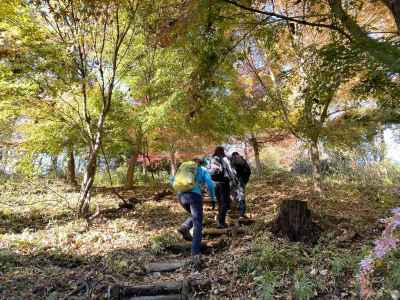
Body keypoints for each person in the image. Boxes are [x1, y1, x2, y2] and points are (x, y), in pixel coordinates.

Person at [173, 158, 216, 271]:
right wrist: (212, 198)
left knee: (195, 216)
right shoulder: (202, 169)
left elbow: (172, 180)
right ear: (201, 163)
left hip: (181, 196)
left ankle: (185, 227)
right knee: (198, 224)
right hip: (194, 196)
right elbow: (210, 184)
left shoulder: (184, 168)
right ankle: (195, 254)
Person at [208, 146, 237, 228]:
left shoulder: (212, 159)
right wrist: (234, 180)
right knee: (225, 203)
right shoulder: (223, 159)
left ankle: (220, 221)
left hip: (215, 183)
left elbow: (209, 171)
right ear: (222, 151)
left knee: (220, 203)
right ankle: (221, 222)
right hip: (224, 182)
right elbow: (229, 171)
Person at [230, 152, 251, 219]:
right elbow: (249, 171)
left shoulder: (233, 160)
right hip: (241, 181)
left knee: (236, 195)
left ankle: (239, 212)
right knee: (240, 196)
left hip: (237, 181)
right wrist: (244, 181)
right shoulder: (242, 160)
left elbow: (231, 172)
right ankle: (241, 213)